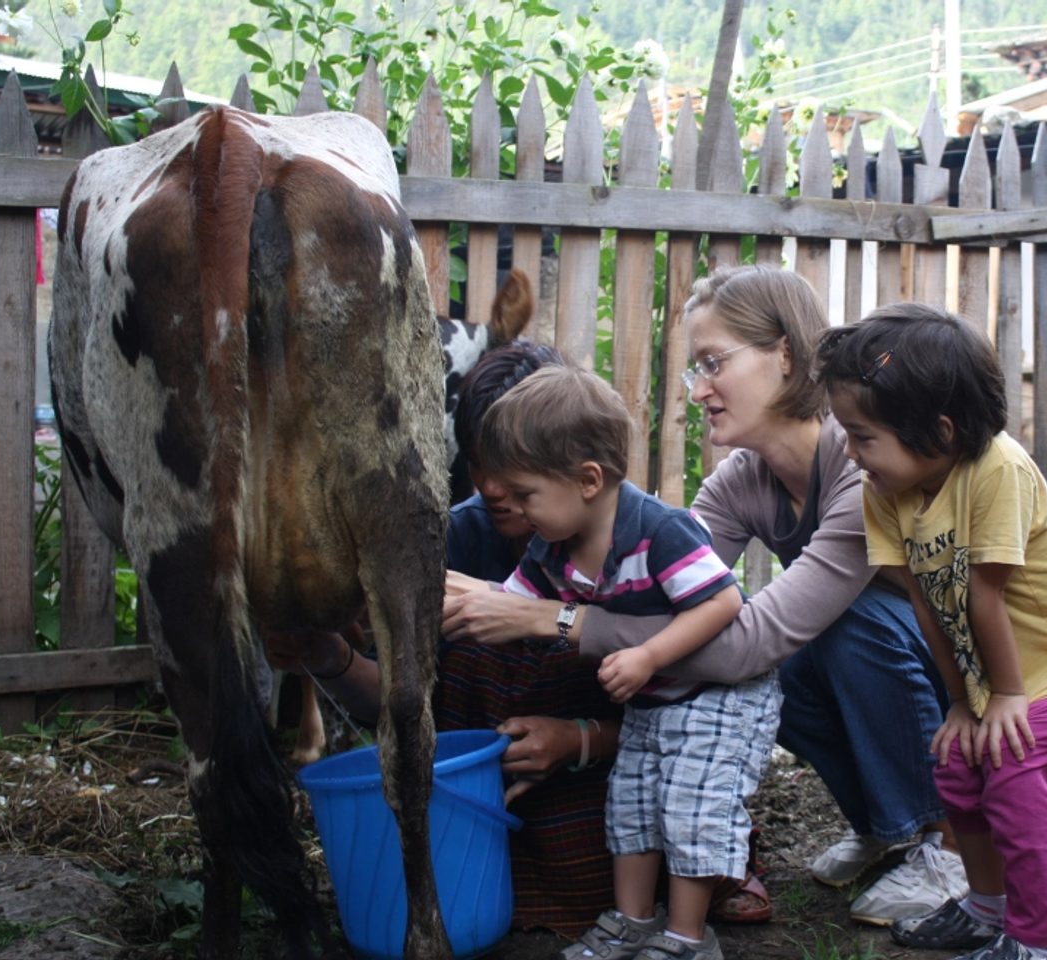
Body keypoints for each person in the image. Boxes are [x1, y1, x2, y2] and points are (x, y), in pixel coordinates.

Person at [444, 265, 968, 926]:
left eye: (713, 363)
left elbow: (742, 643)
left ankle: (946, 843)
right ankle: (881, 822)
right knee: (785, 674)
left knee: (840, 626)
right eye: (695, 369)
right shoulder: (737, 485)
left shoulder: (856, 466)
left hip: (985, 663)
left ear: (784, 353)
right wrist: (505, 604)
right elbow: (661, 612)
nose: (698, 391)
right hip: (920, 661)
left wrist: (555, 618)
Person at [814, 304, 1047, 960]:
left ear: (940, 432)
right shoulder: (885, 490)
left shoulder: (996, 468)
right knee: (956, 762)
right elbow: (927, 600)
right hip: (1016, 670)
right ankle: (985, 906)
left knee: (1011, 765)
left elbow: (981, 595)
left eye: (862, 437)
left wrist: (998, 700)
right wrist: (961, 704)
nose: (852, 455)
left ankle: (1036, 943)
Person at [273, 339, 626, 935]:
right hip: (479, 803)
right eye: (476, 463)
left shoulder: (633, 538)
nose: (488, 486)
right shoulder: (450, 539)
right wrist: (326, 655)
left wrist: (578, 739)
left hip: (598, 786)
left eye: (512, 469)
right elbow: (397, 697)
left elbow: (690, 691)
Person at [476, 365, 780, 960]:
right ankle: (632, 921)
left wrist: (646, 654)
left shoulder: (659, 531)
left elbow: (721, 601)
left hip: (720, 695)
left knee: (690, 806)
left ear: (587, 480)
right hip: (656, 697)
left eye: (526, 493)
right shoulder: (552, 548)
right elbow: (507, 604)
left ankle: (688, 938)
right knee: (632, 804)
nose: (513, 507)